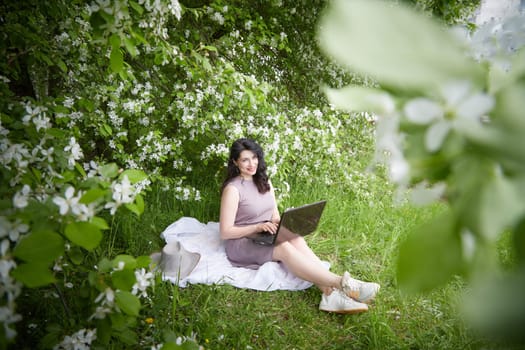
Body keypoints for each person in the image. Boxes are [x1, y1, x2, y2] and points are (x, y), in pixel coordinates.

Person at [219, 138, 380, 314]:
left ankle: (329, 294)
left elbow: (273, 213)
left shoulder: (264, 180)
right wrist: (257, 227)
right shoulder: (233, 189)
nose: (252, 164)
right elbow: (226, 232)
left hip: (265, 233)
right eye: (245, 160)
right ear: (235, 162)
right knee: (285, 249)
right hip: (241, 241)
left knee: (296, 239)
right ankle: (343, 283)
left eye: (254, 157)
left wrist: (281, 223)